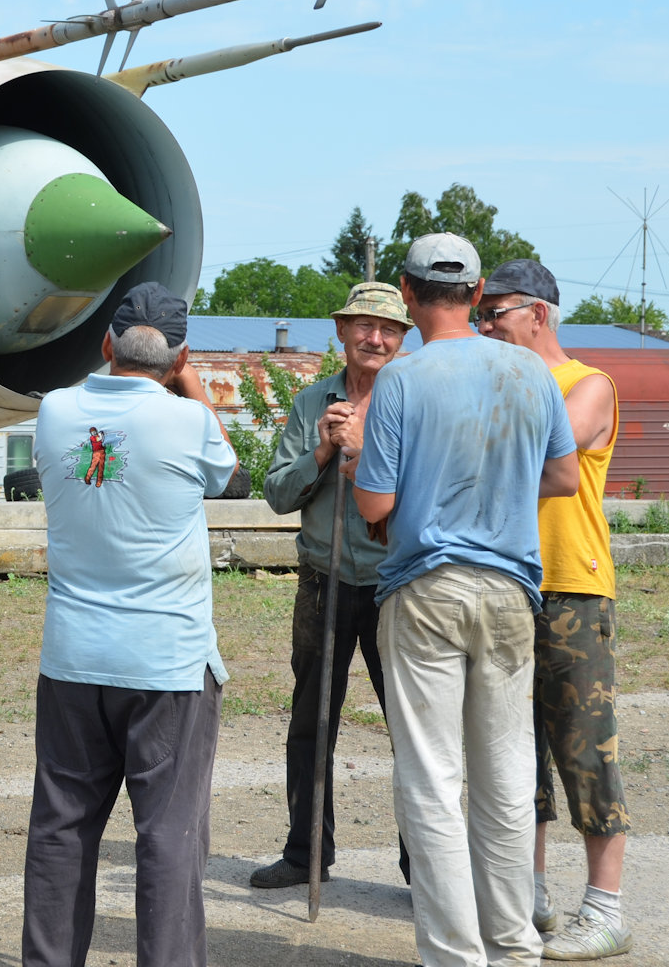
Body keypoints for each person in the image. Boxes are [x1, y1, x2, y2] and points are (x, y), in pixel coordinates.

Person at [353, 234, 579, 967]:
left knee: (432, 779)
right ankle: (514, 945)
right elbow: (566, 478)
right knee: (508, 775)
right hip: (513, 590)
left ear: (407, 294)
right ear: (479, 294)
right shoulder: (530, 372)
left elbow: (375, 503)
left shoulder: (401, 379)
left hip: (425, 588)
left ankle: (455, 955)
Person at [23, 282, 238, 967]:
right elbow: (226, 469)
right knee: (169, 835)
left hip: (73, 659)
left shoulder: (56, 413)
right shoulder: (189, 422)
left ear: (107, 343)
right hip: (166, 662)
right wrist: (191, 383)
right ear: (179, 357)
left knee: (61, 829)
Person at [477, 259, 632, 960]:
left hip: (572, 587)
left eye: (496, 314)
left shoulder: (588, 385)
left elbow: (547, 452)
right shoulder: (503, 386)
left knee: (584, 748)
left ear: (538, 314)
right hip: (509, 584)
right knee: (515, 754)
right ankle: (529, 893)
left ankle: (605, 908)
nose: (484, 327)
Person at [251, 281, 413, 889]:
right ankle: (305, 853)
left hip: (398, 586)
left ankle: (419, 866)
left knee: (412, 729)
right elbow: (275, 495)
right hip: (324, 582)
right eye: (364, 327)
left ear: (403, 338)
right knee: (311, 722)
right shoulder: (309, 403)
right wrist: (322, 449)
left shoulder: (415, 400)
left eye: (389, 329)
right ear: (341, 332)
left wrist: (364, 449)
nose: (375, 338)